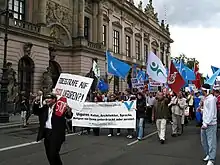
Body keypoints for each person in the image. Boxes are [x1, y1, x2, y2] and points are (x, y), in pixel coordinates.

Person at [33, 93, 73, 165]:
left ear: (54, 100)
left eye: (49, 98)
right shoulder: (45, 108)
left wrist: (69, 111)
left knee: (53, 153)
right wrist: (36, 102)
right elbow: (36, 111)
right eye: (46, 99)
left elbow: (69, 116)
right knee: (49, 154)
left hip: (56, 133)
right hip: (47, 133)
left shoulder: (60, 108)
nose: (47, 100)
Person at [201, 84, 217, 165]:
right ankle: (208, 154)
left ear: (206, 90)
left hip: (210, 124)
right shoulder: (206, 99)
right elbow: (207, 111)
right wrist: (201, 109)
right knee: (204, 141)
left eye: (203, 91)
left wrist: (206, 123)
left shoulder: (211, 99)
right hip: (205, 123)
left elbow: (211, 112)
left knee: (211, 142)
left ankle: (211, 159)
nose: (201, 92)